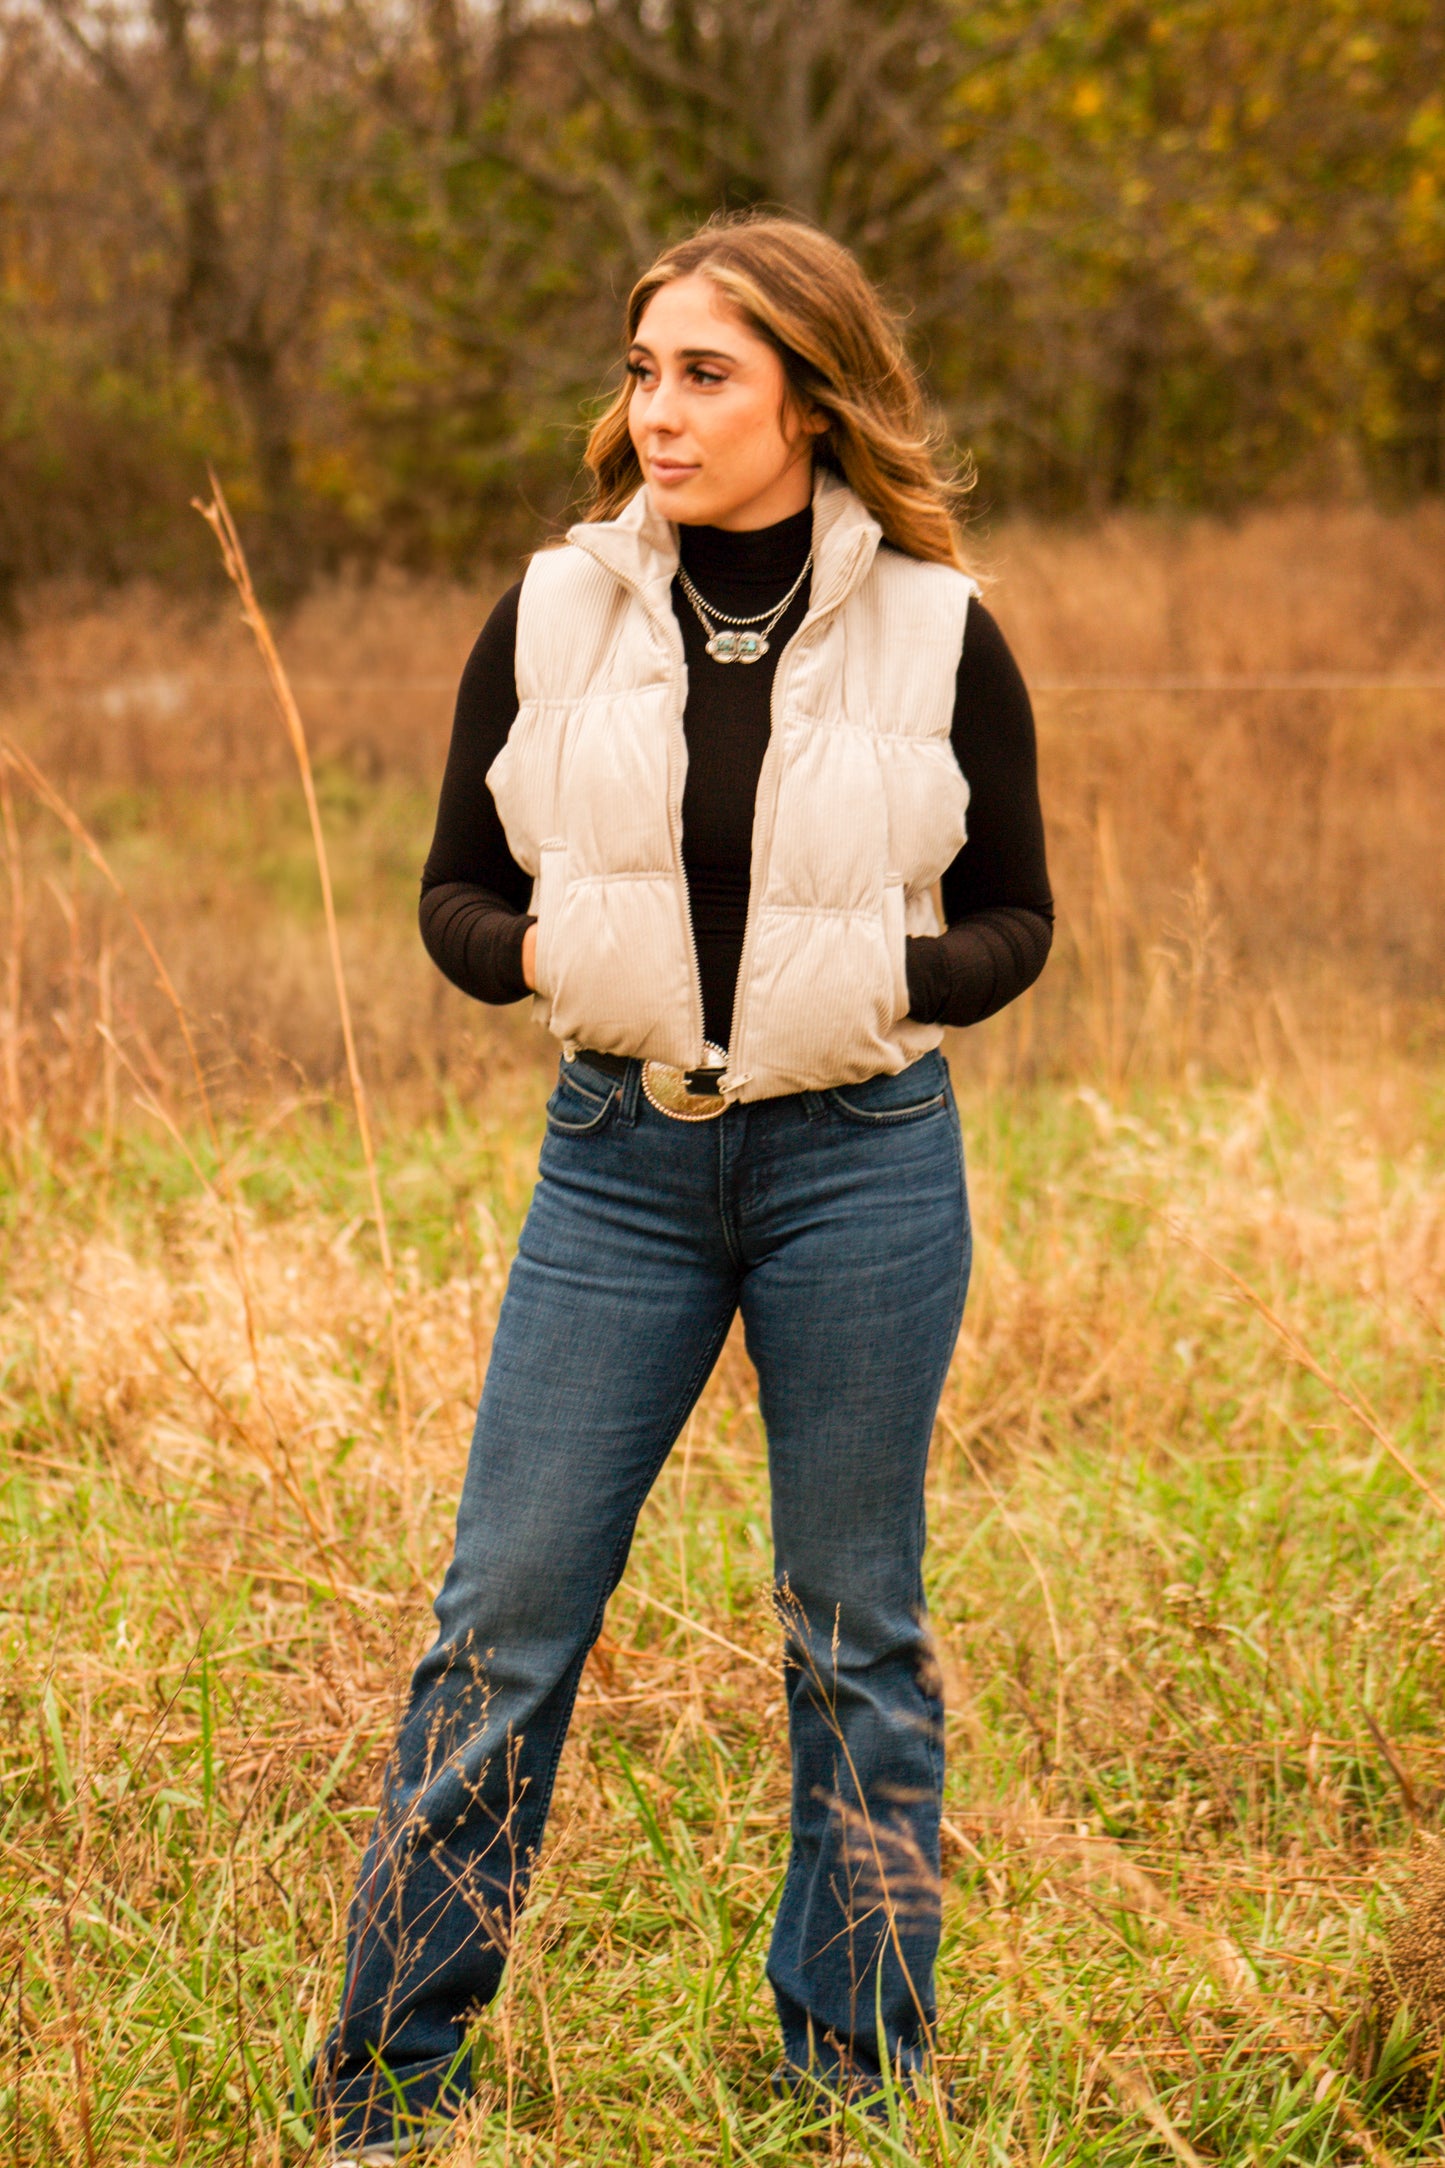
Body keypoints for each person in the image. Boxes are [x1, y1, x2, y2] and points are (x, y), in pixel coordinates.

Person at [316, 211, 1052, 2162]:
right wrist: (551, 960)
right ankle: (389, 2089)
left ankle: (856, 2076)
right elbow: (449, 893)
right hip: (619, 1174)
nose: (660, 410)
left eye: (704, 374)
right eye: (643, 370)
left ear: (808, 393)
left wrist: (882, 982)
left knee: (852, 1628)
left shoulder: (939, 631)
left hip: (863, 1172)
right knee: (506, 1616)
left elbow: (1016, 920)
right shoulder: (555, 614)